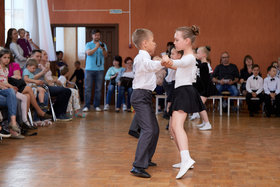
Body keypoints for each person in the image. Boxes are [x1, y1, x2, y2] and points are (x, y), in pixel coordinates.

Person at [161, 25, 205, 179]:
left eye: (177, 39)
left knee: (177, 126)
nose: (174, 42)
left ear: (187, 41)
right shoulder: (186, 57)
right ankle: (184, 159)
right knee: (173, 128)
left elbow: (175, 64)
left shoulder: (190, 57)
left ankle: (186, 159)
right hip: (180, 91)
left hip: (185, 92)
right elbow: (174, 64)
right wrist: (168, 61)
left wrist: (167, 60)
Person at [129, 28, 164, 178]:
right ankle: (137, 166)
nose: (155, 43)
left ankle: (146, 159)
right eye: (153, 41)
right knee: (148, 130)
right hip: (140, 96)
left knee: (154, 129)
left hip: (145, 96)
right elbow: (150, 66)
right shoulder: (141, 58)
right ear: (144, 44)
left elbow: (151, 68)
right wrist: (163, 62)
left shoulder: (145, 57)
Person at [32, 50, 72, 121]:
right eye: (37, 56)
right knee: (65, 91)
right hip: (37, 87)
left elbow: (44, 78)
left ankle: (57, 113)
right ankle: (56, 114)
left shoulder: (40, 66)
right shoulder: (30, 66)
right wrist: (43, 72)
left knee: (66, 91)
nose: (39, 58)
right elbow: (30, 78)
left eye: (40, 56)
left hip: (46, 85)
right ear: (32, 56)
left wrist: (51, 82)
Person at [192, 46, 217, 130]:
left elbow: (205, 80)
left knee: (200, 105)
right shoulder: (202, 64)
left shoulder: (204, 65)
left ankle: (207, 123)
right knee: (200, 105)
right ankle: (204, 122)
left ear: (204, 55)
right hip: (203, 88)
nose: (196, 54)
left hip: (206, 89)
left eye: (198, 53)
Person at [83, 29, 108, 112]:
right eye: (95, 35)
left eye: (98, 35)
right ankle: (86, 106)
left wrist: (103, 49)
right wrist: (96, 47)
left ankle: (96, 105)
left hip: (100, 69)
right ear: (92, 36)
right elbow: (89, 53)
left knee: (98, 89)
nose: (97, 37)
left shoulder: (103, 44)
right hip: (89, 69)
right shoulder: (88, 44)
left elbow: (105, 55)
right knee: (88, 89)